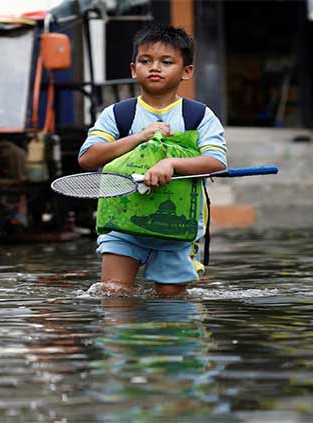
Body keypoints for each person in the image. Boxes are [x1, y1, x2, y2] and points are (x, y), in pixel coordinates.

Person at [79, 23, 227, 296]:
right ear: (134, 69)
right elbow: (88, 158)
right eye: (146, 61)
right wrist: (140, 137)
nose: (155, 67)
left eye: (166, 61)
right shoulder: (117, 114)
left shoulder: (199, 115)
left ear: (187, 72)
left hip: (176, 227)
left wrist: (170, 163)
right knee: (113, 295)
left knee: (171, 299)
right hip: (121, 224)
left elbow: (216, 161)